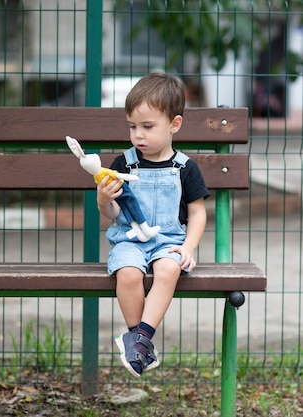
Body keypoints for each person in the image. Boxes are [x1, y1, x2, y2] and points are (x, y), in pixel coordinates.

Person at [96, 72, 210, 378]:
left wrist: (188, 247)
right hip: (129, 241)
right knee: (129, 273)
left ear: (174, 124)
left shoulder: (185, 168)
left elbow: (197, 213)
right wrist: (102, 199)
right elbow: (111, 213)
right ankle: (140, 340)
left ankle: (139, 340)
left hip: (168, 240)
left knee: (169, 269)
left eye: (148, 127)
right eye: (133, 127)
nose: (138, 135)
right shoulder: (124, 164)